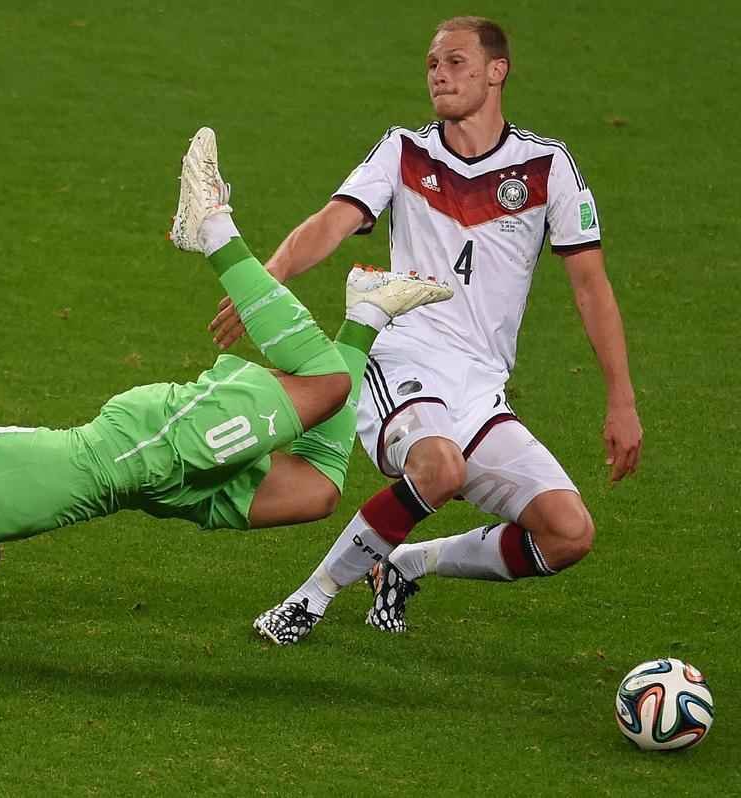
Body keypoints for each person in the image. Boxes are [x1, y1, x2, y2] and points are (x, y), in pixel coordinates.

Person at [0, 129, 450, 649]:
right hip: (144, 481)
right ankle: (364, 311)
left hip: (141, 448)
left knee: (329, 384)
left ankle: (213, 229)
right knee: (317, 491)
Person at [243, 16, 643, 645]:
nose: (439, 74)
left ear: (496, 71)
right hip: (402, 357)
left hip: (480, 388)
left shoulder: (546, 168)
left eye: (455, 62)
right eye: (432, 64)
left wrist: (621, 399)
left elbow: (591, 286)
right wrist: (263, 280)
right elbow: (331, 222)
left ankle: (404, 563)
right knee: (440, 468)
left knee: (569, 532)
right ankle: (309, 598)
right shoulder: (405, 151)